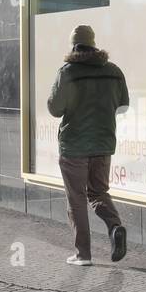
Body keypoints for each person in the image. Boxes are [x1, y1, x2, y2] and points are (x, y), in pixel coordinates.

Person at [46, 24, 129, 266]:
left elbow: (54, 109)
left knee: (77, 198)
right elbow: (123, 105)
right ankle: (115, 227)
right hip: (103, 143)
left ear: (74, 45)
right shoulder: (114, 71)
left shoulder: (68, 72)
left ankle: (83, 254)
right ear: (94, 43)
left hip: (74, 146)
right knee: (98, 192)